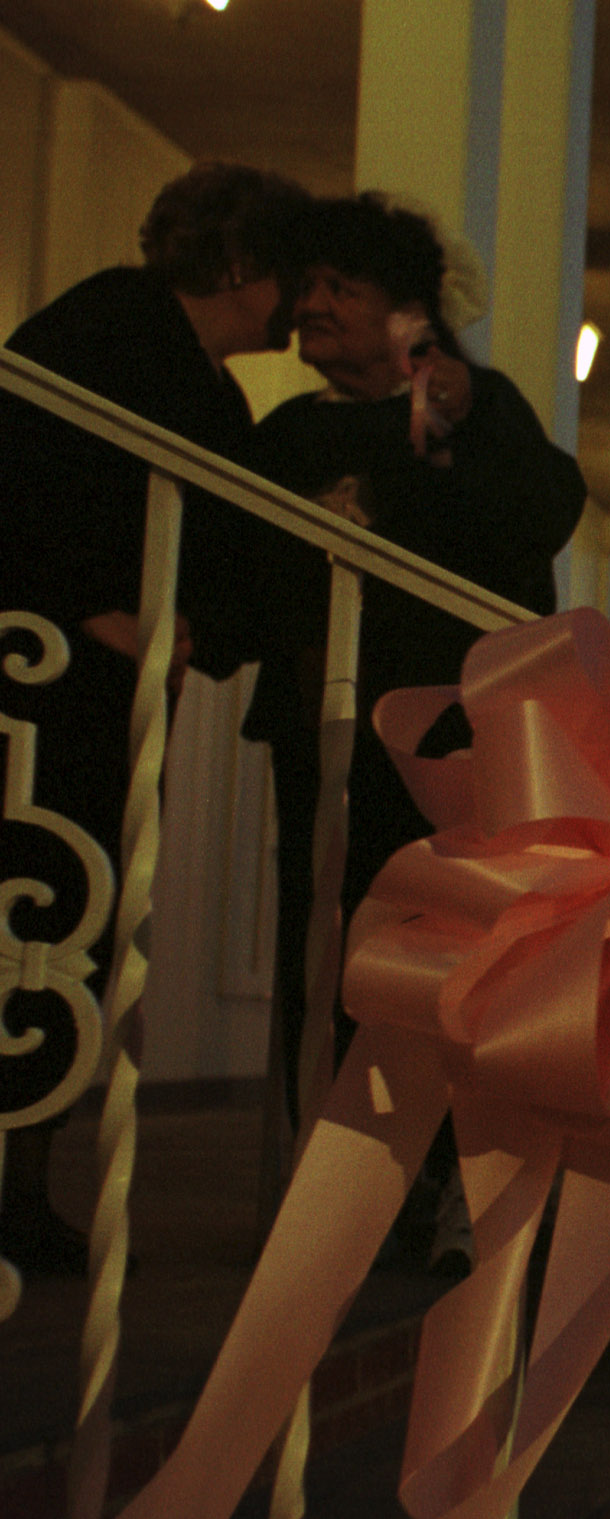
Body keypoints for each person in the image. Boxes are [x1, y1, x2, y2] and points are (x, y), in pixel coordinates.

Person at [242, 192, 582, 1272]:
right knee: (332, 952)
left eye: (341, 288)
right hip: (326, 733)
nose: (311, 309)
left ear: (407, 310)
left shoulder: (486, 417)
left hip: (452, 749)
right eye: (307, 290)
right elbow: (252, 557)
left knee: (457, 960)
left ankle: (450, 1180)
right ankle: (338, 1186)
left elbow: (532, 517)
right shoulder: (297, 432)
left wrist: (451, 418)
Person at [0, 161, 309, 1274]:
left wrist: (193, 632)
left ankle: (23, 1182)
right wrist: (100, 610)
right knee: (38, 916)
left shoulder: (202, 383)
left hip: (108, 698)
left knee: (76, 935)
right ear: (238, 266)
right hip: (49, 688)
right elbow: (30, 479)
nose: (298, 304)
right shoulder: (104, 333)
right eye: (285, 275)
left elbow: (222, 545)